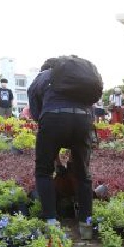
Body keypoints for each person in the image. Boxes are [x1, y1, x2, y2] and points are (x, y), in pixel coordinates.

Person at [28, 56, 96, 229]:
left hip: (53, 119)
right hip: (83, 119)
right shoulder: (80, 79)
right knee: (83, 173)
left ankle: (51, 221)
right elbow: (91, 109)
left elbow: (38, 115)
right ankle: (85, 223)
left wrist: (54, 153)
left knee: (43, 171)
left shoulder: (42, 77)